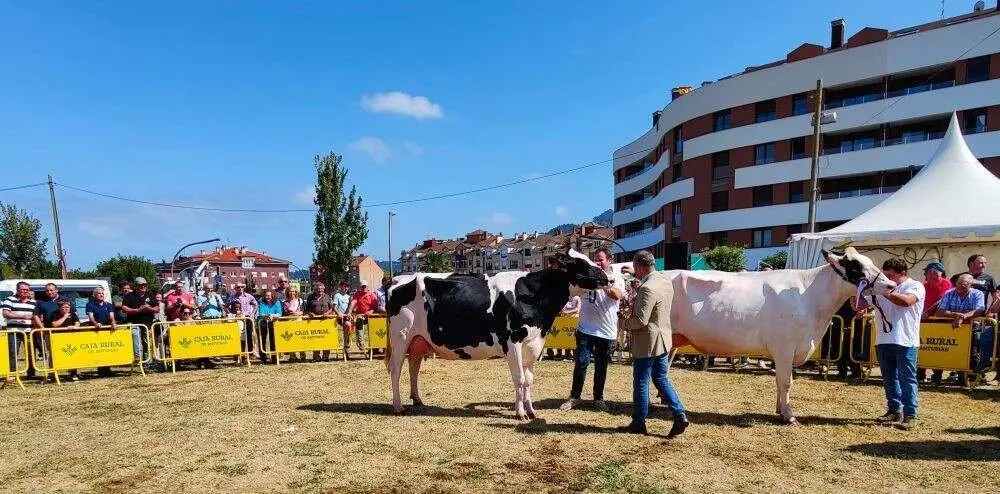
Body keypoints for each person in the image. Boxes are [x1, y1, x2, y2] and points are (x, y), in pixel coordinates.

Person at [620, 250, 688, 438]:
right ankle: (679, 414)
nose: (635, 271)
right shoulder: (664, 280)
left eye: (635, 267)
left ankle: (638, 422)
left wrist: (623, 323)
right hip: (664, 338)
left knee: (641, 382)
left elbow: (640, 321)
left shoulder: (647, 288)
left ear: (641, 266)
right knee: (661, 379)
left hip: (647, 342)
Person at [559, 247, 625, 412]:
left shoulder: (615, 277)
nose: (597, 262)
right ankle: (575, 397)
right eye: (595, 258)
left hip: (606, 331)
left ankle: (598, 398)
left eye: (601, 259)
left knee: (601, 366)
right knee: (581, 363)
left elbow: (617, 295)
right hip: (585, 329)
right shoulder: (588, 273)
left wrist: (602, 283)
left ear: (609, 260)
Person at [873, 257, 925, 431]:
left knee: (907, 378)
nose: (887, 279)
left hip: (906, 340)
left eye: (890, 275)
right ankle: (894, 410)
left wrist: (885, 291)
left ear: (902, 273)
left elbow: (906, 301)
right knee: (889, 378)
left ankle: (910, 415)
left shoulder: (915, 285)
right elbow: (860, 306)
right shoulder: (882, 288)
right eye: (885, 275)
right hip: (883, 339)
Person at [3, 281, 37, 379]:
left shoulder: (33, 302)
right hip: (14, 331)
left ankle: (31, 374)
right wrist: (23, 316)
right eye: (23, 289)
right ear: (18, 290)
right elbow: (6, 313)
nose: (25, 291)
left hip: (29, 331)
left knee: (31, 352)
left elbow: (37, 316)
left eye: (27, 289)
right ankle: (13, 375)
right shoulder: (9, 299)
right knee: (13, 353)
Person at [121, 277, 160, 362]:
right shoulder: (129, 296)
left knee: (147, 342)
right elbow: (124, 308)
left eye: (145, 285)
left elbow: (157, 309)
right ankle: (137, 357)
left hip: (148, 323)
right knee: (135, 334)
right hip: (134, 322)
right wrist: (138, 310)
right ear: (136, 286)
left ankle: (147, 361)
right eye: (141, 285)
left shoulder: (150, 295)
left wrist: (148, 308)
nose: (143, 287)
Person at [86, 287, 118, 378]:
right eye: (99, 293)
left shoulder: (108, 304)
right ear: (94, 295)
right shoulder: (90, 304)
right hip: (96, 331)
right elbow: (91, 317)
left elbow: (111, 316)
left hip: (107, 331)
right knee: (99, 351)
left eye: (102, 293)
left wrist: (113, 323)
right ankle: (101, 370)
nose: (101, 295)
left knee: (107, 351)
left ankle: (107, 369)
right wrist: (95, 323)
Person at [46, 299, 81, 381]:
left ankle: (73, 373)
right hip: (57, 338)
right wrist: (65, 316)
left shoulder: (72, 314)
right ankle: (53, 374)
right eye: (64, 307)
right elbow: (55, 324)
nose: (66, 309)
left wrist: (75, 326)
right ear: (60, 308)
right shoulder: (55, 314)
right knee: (54, 356)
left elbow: (77, 322)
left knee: (71, 355)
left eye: (67, 307)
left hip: (69, 338)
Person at [306, 282, 334, 361]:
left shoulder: (327, 297)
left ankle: (326, 356)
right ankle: (316, 356)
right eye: (318, 289)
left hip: (326, 321)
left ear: (324, 289)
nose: (319, 290)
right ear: (315, 289)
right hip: (314, 321)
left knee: (326, 338)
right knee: (315, 339)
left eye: (321, 289)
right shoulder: (310, 297)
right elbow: (306, 309)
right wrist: (310, 313)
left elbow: (332, 308)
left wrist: (328, 313)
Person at [227, 284, 258, 355]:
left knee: (250, 336)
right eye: (238, 287)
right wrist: (231, 314)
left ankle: (251, 352)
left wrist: (253, 314)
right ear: (235, 289)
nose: (240, 288)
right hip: (238, 319)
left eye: (242, 287)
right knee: (240, 337)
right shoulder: (232, 297)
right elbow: (226, 306)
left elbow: (255, 304)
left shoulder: (249, 296)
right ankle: (242, 353)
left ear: (244, 288)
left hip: (247, 318)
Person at [349, 281, 378, 354]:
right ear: (360, 287)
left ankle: (375, 347)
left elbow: (375, 307)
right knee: (358, 321)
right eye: (362, 286)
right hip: (361, 315)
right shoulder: (357, 294)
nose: (363, 288)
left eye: (364, 286)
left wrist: (371, 311)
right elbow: (353, 303)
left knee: (376, 326)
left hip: (371, 315)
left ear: (367, 287)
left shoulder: (372, 295)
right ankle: (361, 343)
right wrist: (349, 312)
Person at [257, 289, 283, 364]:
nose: (267, 297)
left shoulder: (277, 302)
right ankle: (263, 359)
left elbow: (279, 313)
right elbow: (261, 313)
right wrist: (266, 316)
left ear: (272, 295)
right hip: (263, 323)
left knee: (273, 341)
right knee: (262, 341)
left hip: (273, 323)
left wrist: (273, 315)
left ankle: (274, 358)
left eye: (268, 295)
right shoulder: (262, 303)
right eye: (266, 295)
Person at [282, 287, 306, 362]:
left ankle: (302, 356)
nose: (291, 293)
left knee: (300, 339)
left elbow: (303, 311)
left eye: (293, 291)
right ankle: (292, 356)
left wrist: (297, 313)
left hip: (299, 322)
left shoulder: (300, 300)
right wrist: (292, 314)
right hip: (289, 322)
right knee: (291, 339)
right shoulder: (284, 302)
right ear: (287, 293)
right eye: (290, 291)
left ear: (296, 292)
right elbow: (285, 313)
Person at [332, 282, 353, 356]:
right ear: (341, 287)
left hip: (347, 316)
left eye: (347, 287)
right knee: (347, 325)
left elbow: (351, 307)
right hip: (340, 317)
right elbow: (334, 307)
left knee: (349, 327)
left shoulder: (348, 297)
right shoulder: (337, 295)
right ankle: (345, 345)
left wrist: (350, 314)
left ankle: (347, 345)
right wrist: (338, 314)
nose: (346, 288)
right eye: (345, 286)